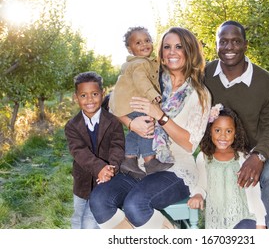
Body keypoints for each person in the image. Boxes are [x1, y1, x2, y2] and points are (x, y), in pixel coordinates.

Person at [89, 27, 211, 229]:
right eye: (167, 47)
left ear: (189, 51)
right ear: (161, 52)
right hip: (139, 163)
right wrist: (131, 123)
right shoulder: (147, 78)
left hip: (174, 166)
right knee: (99, 200)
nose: (172, 52)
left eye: (179, 47)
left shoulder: (200, 93)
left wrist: (160, 115)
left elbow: (190, 144)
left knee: (136, 205)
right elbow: (113, 103)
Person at [203, 20, 269, 229]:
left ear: (245, 44)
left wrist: (258, 156)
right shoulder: (205, 75)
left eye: (236, 41)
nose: (229, 47)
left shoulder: (265, 81)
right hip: (220, 147)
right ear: (216, 44)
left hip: (257, 148)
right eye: (223, 42)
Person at [188, 104, 267, 229]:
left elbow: (254, 193)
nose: (223, 136)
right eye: (217, 130)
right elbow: (201, 185)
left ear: (235, 133)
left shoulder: (243, 158)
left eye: (228, 131)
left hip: (244, 220)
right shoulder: (204, 157)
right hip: (216, 223)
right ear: (209, 132)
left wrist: (261, 222)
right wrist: (198, 194)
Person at [109, 26, 172, 178]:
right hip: (137, 101)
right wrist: (152, 95)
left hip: (128, 104)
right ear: (130, 49)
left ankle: (129, 159)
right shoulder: (139, 63)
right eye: (138, 43)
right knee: (147, 125)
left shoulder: (140, 62)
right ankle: (150, 160)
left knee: (135, 131)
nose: (144, 44)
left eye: (147, 40)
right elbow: (141, 80)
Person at [64, 71, 125, 229]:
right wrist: (99, 168)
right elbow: (79, 152)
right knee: (78, 216)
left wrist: (111, 168)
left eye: (94, 94)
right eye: (83, 95)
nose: (89, 99)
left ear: (102, 94)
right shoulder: (72, 126)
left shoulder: (113, 122)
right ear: (76, 97)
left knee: (91, 222)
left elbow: (117, 147)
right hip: (82, 182)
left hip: (104, 181)